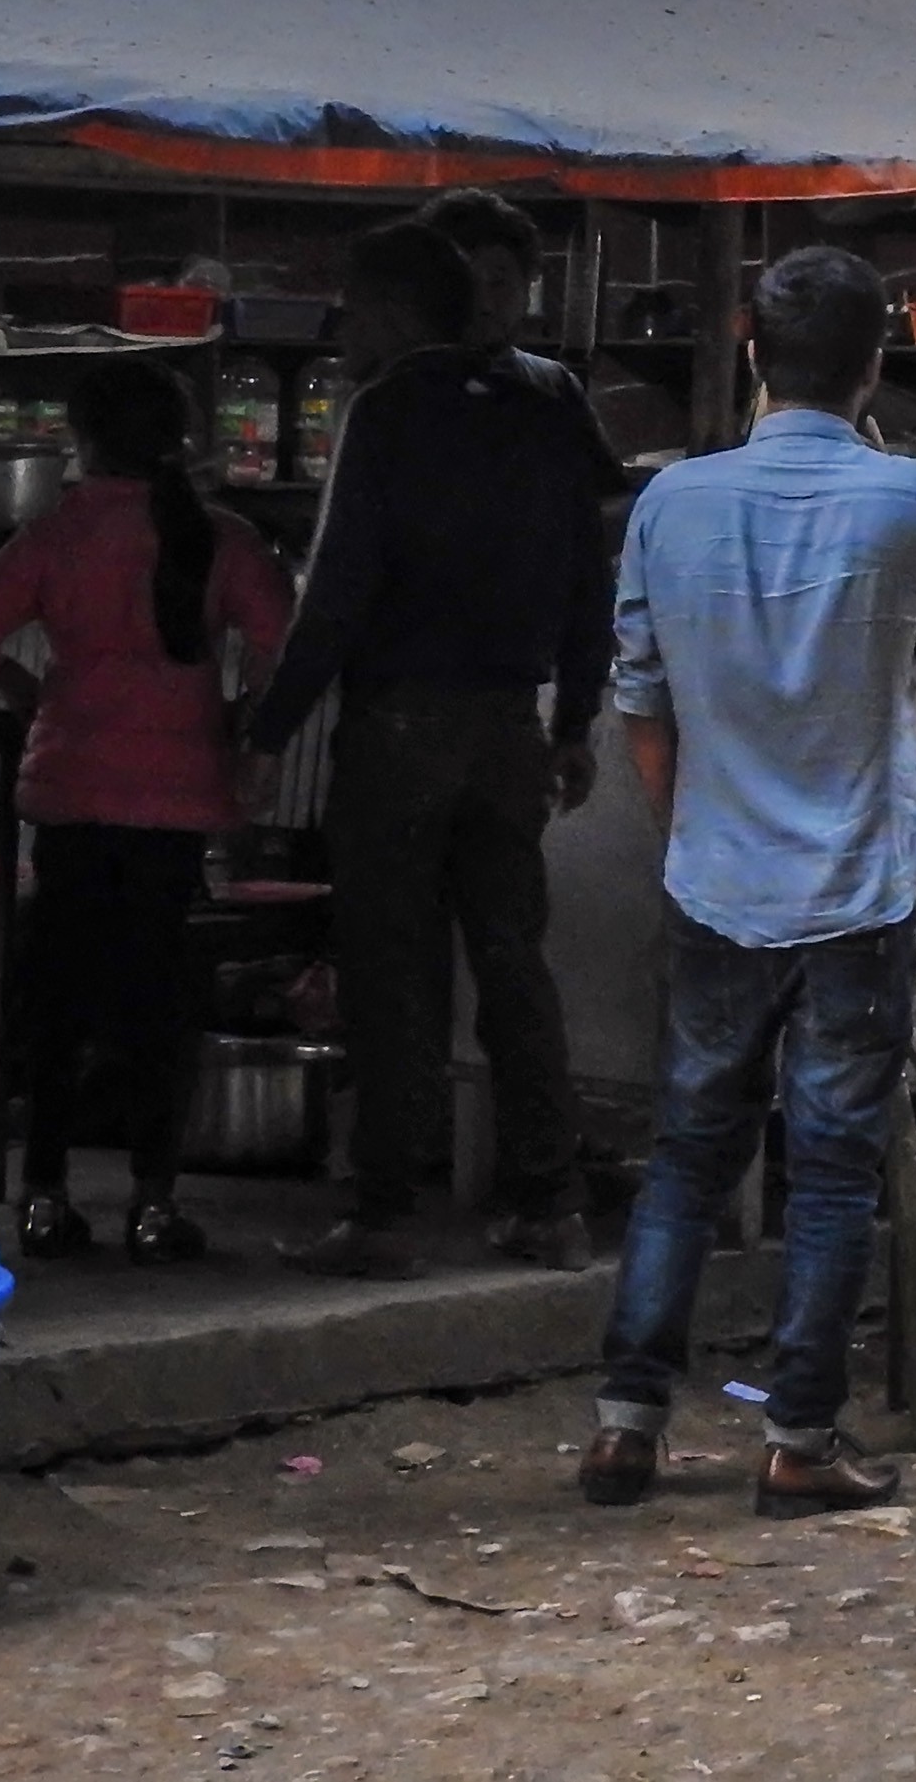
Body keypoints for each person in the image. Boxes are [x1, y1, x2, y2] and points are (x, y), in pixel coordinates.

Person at [581, 246, 916, 1518]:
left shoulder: (671, 503)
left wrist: (693, 826)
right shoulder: (912, 499)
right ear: (875, 363)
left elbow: (641, 702)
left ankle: (623, 1424)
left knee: (687, 1155)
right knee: (828, 1171)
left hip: (717, 879)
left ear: (753, 347)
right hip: (858, 884)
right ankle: (798, 1440)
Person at [253, 220, 617, 1279]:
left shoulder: (386, 409)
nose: (346, 328)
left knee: (391, 969)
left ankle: (386, 1214)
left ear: (399, 311)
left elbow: (336, 593)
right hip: (511, 726)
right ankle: (549, 1204)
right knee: (512, 959)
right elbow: (589, 576)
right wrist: (576, 717)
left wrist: (269, 729)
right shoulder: (551, 402)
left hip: (400, 725)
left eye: (357, 308)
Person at [0, 362, 295, 1264]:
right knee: (157, 1005)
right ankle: (153, 1204)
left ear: (84, 439)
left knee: (57, 1002)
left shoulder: (57, 532)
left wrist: (26, 684)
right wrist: (236, 720)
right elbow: (285, 642)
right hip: (178, 804)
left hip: (70, 794)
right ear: (176, 439)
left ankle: (42, 1197)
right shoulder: (220, 537)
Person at [413, 187, 633, 492]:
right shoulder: (402, 389)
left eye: (499, 283)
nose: (485, 304)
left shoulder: (553, 383)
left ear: (528, 284)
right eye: (467, 283)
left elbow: (607, 494)